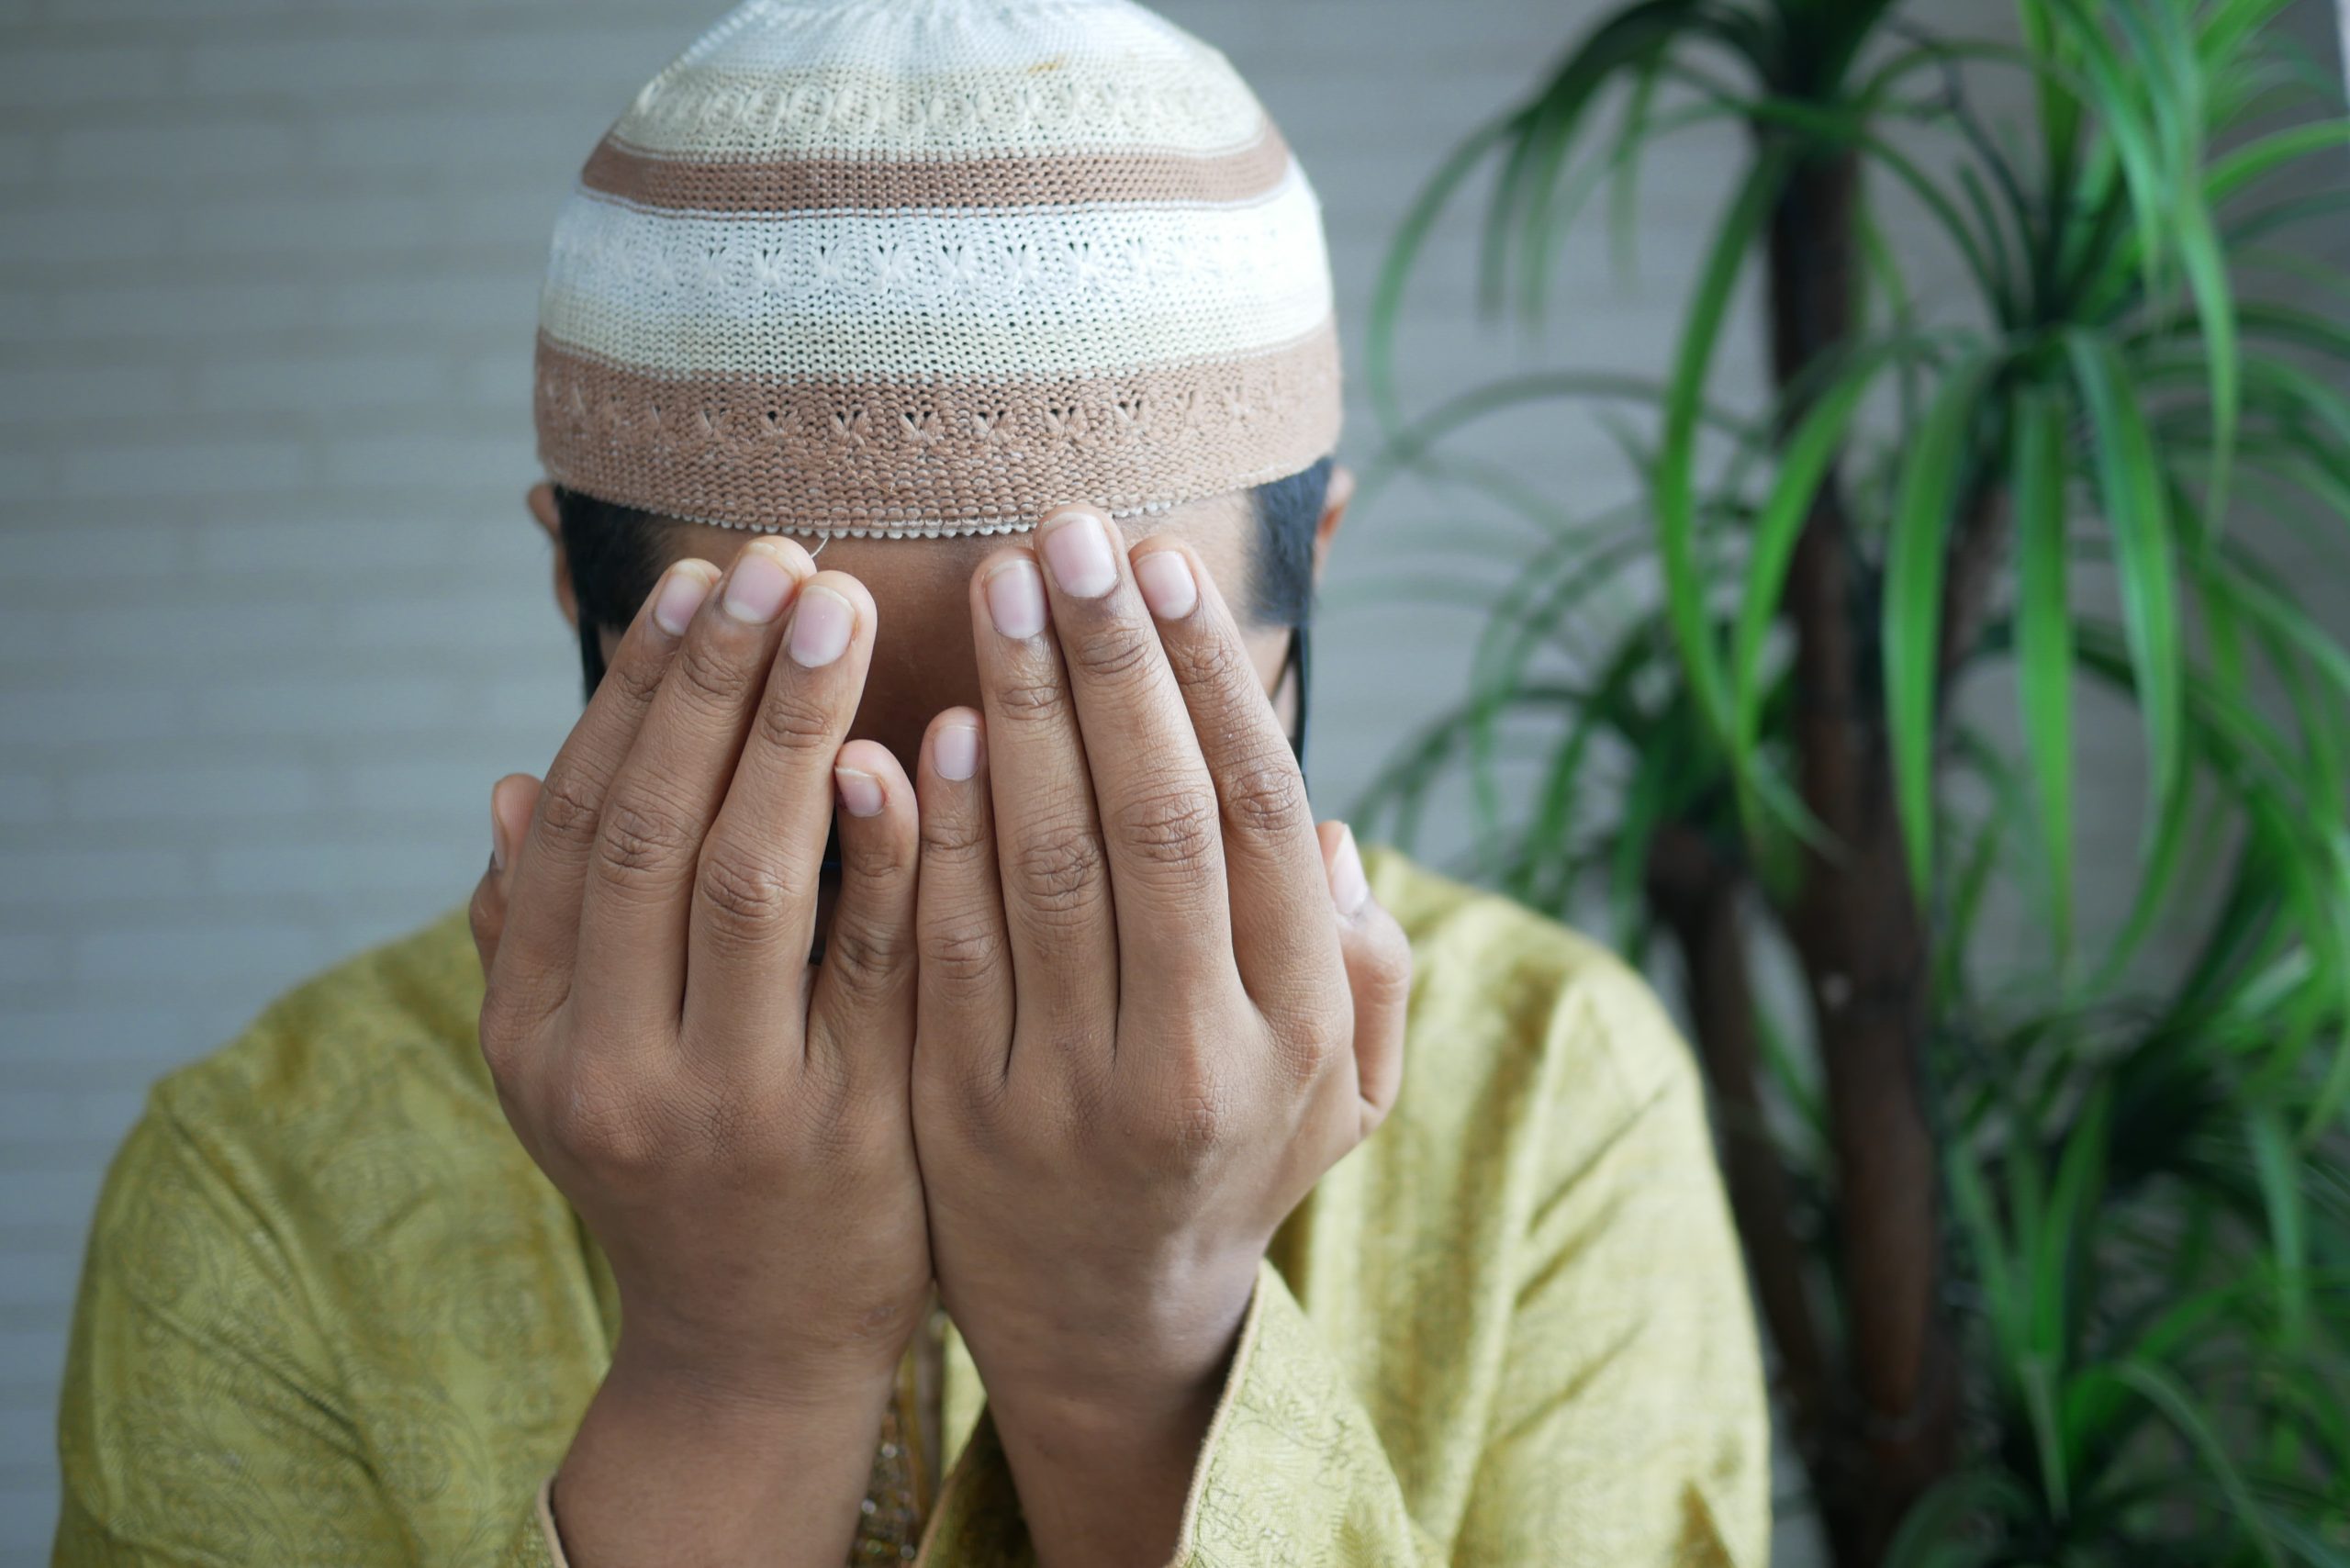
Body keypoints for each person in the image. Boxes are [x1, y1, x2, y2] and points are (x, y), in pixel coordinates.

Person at [52, 2, 1770, 1563]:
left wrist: (1137, 1350)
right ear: (579, 587)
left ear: (1311, 564)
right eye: (815, 765)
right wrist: (736, 1366)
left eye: (1101, 736)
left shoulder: (1550, 1102)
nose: (963, 898)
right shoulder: (269, 1183)